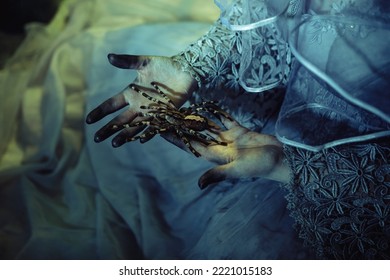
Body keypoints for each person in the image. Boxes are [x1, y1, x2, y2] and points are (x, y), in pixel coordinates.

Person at [86, 0, 390, 259]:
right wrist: (192, 65)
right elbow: (276, 17)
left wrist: (292, 168)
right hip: (280, 109)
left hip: (348, 194)